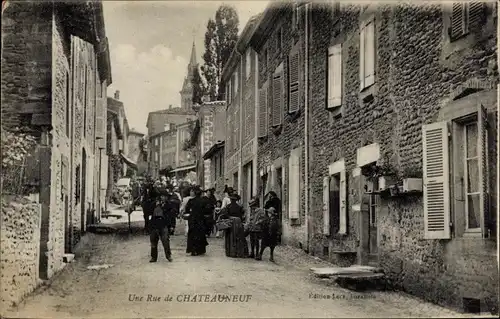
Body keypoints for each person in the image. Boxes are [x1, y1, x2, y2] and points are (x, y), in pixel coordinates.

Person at [149, 187, 173, 263]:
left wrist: (172, 226)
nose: (163, 198)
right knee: (153, 241)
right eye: (162, 196)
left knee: (165, 241)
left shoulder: (169, 205)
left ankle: (168, 256)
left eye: (165, 196)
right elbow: (148, 211)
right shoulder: (154, 204)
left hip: (164, 224)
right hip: (154, 224)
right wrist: (155, 205)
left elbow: (172, 216)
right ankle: (153, 257)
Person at [220, 193, 247, 258]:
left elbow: (225, 215)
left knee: (231, 237)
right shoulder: (239, 206)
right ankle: (238, 252)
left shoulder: (228, 206)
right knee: (238, 237)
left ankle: (231, 252)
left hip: (231, 222)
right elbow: (242, 216)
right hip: (238, 222)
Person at [185, 186, 209, 256]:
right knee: (200, 234)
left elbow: (187, 210)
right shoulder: (203, 201)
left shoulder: (191, 201)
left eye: (192, 191)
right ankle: (201, 250)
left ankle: (193, 250)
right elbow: (207, 210)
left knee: (193, 234)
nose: (190, 192)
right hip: (201, 220)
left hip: (193, 220)